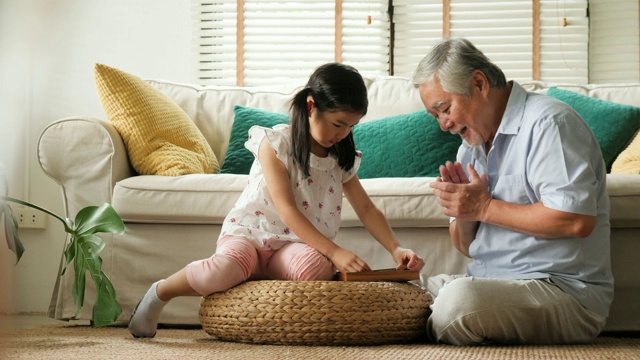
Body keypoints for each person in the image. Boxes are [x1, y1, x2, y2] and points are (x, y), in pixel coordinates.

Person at [128, 62, 425, 338]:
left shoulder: (339, 157)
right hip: (251, 236)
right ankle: (160, 292)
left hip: (292, 246)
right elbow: (287, 210)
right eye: (338, 124)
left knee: (314, 270)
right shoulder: (275, 143)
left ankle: (256, 273)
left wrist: (396, 247)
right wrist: (334, 251)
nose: (343, 134)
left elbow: (366, 208)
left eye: (351, 126)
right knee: (220, 272)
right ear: (311, 106)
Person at [412, 38, 613, 345]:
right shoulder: (471, 147)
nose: (443, 124)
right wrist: (463, 211)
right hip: (487, 284)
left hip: (563, 293)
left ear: (479, 83)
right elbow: (465, 246)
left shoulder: (549, 124)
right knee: (396, 290)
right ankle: (425, 319)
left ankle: (424, 323)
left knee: (457, 303)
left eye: (445, 108)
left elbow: (575, 220)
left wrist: (483, 207)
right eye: (435, 116)